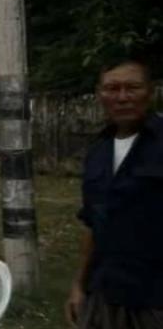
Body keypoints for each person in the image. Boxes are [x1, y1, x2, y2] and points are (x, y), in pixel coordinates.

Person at [66, 58, 163, 328]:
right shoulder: (98, 152)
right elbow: (92, 223)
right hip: (104, 293)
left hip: (155, 297)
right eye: (112, 88)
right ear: (100, 95)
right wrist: (78, 285)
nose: (122, 97)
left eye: (132, 87)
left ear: (150, 91)